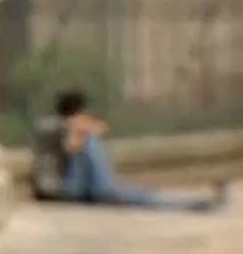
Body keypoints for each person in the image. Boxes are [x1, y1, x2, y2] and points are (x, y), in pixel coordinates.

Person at [50, 89, 223, 212]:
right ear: (78, 110)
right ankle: (197, 205)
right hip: (98, 190)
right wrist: (82, 128)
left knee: (147, 194)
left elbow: (99, 129)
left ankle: (199, 202)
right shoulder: (74, 127)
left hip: (96, 188)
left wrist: (84, 129)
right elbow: (84, 138)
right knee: (149, 200)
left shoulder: (75, 128)